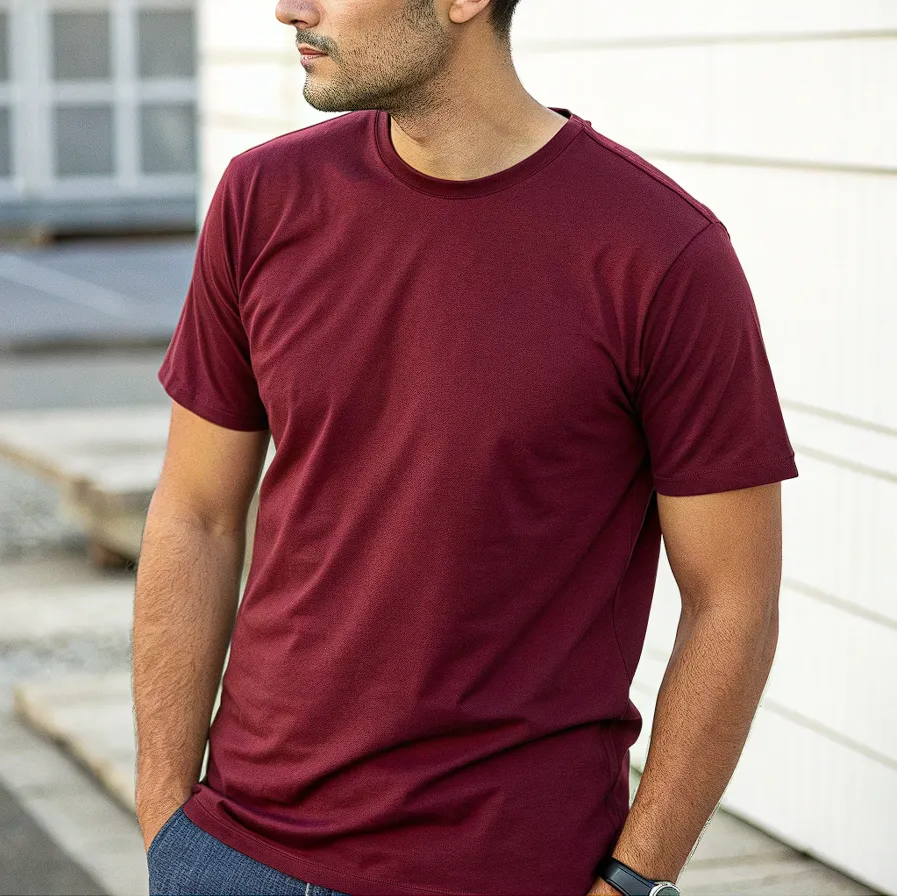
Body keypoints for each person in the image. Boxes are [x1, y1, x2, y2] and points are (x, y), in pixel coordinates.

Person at [132, 0, 800, 894]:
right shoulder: (263, 196)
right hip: (235, 853)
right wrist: (164, 815)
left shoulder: (660, 253)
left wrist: (635, 880)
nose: (290, 8)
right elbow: (196, 515)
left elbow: (732, 601)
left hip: (507, 866)